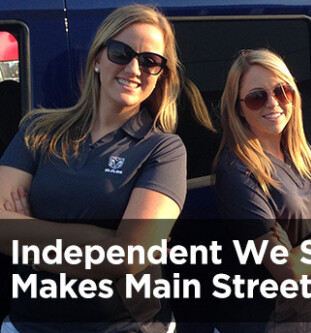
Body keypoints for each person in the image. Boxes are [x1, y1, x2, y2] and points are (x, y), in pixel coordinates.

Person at [0, 4, 186, 332]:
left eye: (150, 61)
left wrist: (28, 235)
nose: (133, 68)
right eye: (120, 52)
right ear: (98, 59)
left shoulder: (163, 149)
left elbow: (128, 257)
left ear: (161, 76)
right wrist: (99, 238)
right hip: (29, 324)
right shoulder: (39, 130)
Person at [214, 49, 311, 333]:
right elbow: (286, 271)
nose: (273, 103)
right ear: (239, 107)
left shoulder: (304, 155)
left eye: (282, 91)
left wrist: (310, 245)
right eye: (257, 97)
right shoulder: (237, 169)